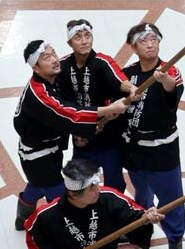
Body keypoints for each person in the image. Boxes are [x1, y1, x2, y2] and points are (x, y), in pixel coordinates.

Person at [12, 38, 129, 231]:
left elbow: (72, 106)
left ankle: (22, 216)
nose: (54, 59)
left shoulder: (55, 80)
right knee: (60, 199)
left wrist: (88, 125)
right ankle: (68, 234)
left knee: (38, 183)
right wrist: (106, 110)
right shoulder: (39, 94)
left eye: (54, 54)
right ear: (36, 68)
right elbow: (69, 113)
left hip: (51, 148)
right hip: (37, 155)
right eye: (46, 57)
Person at [116, 20, 185, 249]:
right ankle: (140, 228)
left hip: (162, 150)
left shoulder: (169, 71)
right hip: (134, 149)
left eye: (154, 39)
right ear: (133, 46)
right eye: (143, 40)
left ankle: (175, 248)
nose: (150, 44)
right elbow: (118, 100)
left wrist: (164, 79)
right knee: (141, 193)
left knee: (170, 200)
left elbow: (172, 90)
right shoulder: (128, 73)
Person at [57, 16, 130, 189]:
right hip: (82, 137)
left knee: (115, 184)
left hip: (108, 136)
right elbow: (63, 104)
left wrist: (132, 89)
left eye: (87, 36)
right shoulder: (63, 66)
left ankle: (114, 213)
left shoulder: (102, 62)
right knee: (79, 183)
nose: (84, 41)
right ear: (69, 42)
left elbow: (119, 79)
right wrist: (75, 132)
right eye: (78, 37)